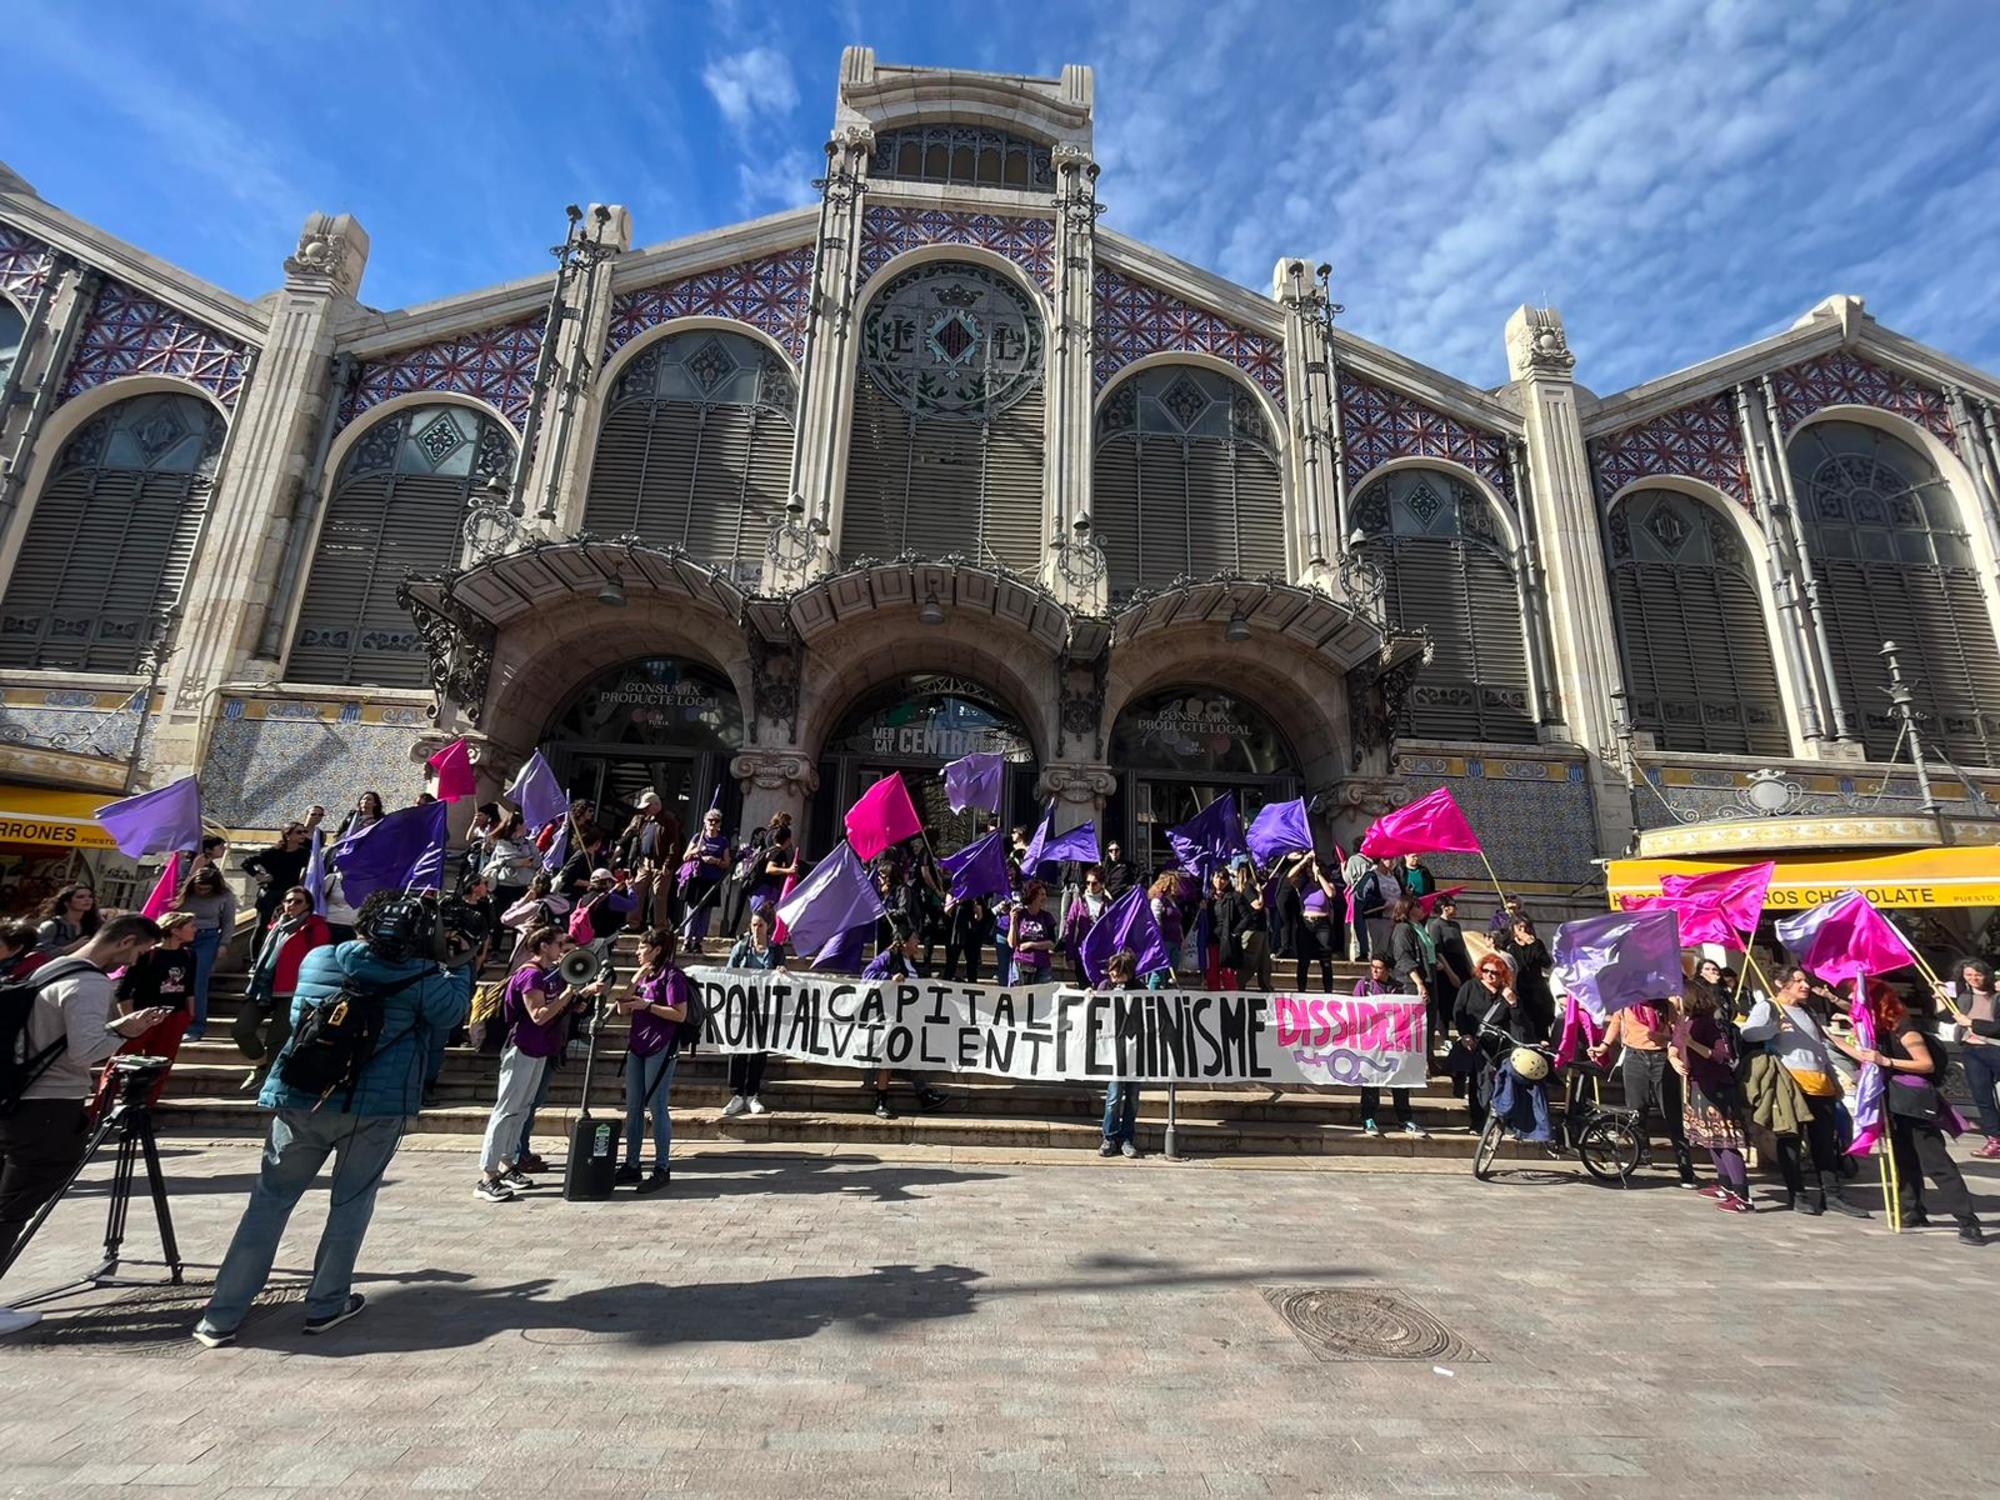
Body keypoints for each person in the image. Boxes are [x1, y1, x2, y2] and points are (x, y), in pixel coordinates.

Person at [192, 893, 476, 1347]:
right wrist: (459, 962)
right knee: (350, 1204)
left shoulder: (321, 958)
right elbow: (453, 1014)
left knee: (268, 1204)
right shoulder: (425, 978)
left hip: (304, 1096)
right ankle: (326, 1303)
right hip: (375, 1108)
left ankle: (222, 1314)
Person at [0, 914, 166, 1331]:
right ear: (126, 942)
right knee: (14, 1204)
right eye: (140, 952)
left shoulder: (55, 965)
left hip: (18, 1094)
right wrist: (126, 1031)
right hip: (51, 1104)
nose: (137, 961)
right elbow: (85, 1050)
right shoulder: (90, 983)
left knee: (9, 1197)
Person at [1828, 981, 1987, 1244]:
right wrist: (1832, 1040)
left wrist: (1886, 1061)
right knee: (1903, 1160)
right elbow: (1866, 1055)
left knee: (1936, 1163)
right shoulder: (1874, 1030)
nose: (1855, 1004)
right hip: (1892, 1100)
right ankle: (1913, 1210)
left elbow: (1925, 1064)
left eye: (1858, 999)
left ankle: (1968, 1222)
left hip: (1915, 1101)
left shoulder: (1904, 1030)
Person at [476, 925, 603, 1202]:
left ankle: (508, 1164)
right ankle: (487, 1174)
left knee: (521, 1109)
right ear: (544, 946)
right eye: (558, 944)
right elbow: (539, 1015)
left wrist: (576, 998)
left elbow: (556, 1008)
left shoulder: (549, 975)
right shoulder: (531, 974)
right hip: (522, 1047)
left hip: (539, 1048)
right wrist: (569, 994)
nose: (561, 949)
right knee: (507, 1109)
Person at [1743, 967, 1869, 1217]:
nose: (1805, 986)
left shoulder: (1809, 1011)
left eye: (1806, 981)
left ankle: (1831, 1195)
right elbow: (1748, 1032)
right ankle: (1797, 1194)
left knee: (1825, 1142)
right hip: (1791, 1083)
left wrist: (1839, 1074)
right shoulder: (1769, 1007)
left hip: (1820, 1083)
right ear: (1782, 983)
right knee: (1790, 1140)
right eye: (1798, 981)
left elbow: (1824, 1044)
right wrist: (1774, 1028)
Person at [232, 887, 333, 1091]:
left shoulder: (315, 927)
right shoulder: (277, 924)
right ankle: (261, 1064)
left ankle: (270, 1081)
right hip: (263, 987)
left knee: (277, 1039)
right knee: (241, 1029)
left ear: (308, 905)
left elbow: (319, 957)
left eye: (297, 901)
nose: (291, 905)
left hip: (292, 989)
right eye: (288, 901)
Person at [96, 911, 198, 1111]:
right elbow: (125, 990)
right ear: (176, 930)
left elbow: (189, 987)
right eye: (191, 926)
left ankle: (144, 1108)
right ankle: (100, 1107)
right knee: (121, 1061)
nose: (196, 930)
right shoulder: (148, 954)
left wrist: (189, 1014)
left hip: (174, 1015)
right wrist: (129, 1019)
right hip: (145, 1014)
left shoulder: (189, 954)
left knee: (161, 1064)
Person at [1592, 995, 1695, 1185]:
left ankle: (1685, 1166)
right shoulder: (1626, 1003)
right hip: (1634, 1057)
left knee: (1672, 1113)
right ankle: (1642, 1154)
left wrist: (1663, 1038)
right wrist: (1604, 1046)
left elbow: (1678, 1032)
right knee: (1636, 1109)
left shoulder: (1667, 1005)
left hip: (1661, 1058)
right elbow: (1616, 1021)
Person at [1672, 980, 1755, 1213]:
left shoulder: (1710, 1024)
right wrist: (1674, 1058)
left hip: (1717, 1086)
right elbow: (1674, 1044)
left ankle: (1743, 1195)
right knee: (1710, 1138)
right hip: (1696, 1085)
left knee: (1725, 1139)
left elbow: (1722, 1055)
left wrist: (1693, 1044)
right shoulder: (1684, 1021)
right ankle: (1725, 1184)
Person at [615, 927, 687, 1194]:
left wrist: (647, 1006)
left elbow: (679, 1014)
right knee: (633, 1106)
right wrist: (634, 981)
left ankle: (662, 1167)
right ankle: (631, 1163)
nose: (636, 952)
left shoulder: (672, 977)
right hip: (637, 1045)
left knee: (657, 1105)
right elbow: (622, 1007)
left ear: (656, 950)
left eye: (642, 947)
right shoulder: (644, 976)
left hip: (661, 1045)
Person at [860, 920, 947, 1117]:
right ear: (904, 941)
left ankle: (924, 1095)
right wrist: (889, 978)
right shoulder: (888, 957)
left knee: (912, 1057)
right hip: (891, 1018)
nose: (918, 943)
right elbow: (867, 975)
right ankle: (881, 1102)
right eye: (915, 939)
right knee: (888, 1059)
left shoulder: (913, 962)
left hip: (911, 1019)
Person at [1354, 955, 1428, 1139]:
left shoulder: (1399, 988)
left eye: (1379, 968)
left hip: (1393, 1042)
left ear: (1388, 970)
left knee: (1400, 1079)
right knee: (1370, 1080)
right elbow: (1354, 1008)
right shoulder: (1365, 985)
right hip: (1370, 1042)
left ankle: (1405, 1118)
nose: (1375, 971)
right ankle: (1368, 1117)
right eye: (1373, 967)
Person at [720, 908, 785, 1117]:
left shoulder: (776, 950)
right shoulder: (741, 948)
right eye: (753, 925)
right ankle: (737, 1094)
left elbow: (783, 975)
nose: (756, 930)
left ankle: (752, 1094)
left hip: (765, 1009)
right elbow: (727, 973)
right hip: (742, 1007)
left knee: (758, 1051)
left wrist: (781, 972)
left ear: (768, 928)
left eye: (760, 926)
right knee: (737, 1050)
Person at [1936, 958, 2000, 1157]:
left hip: (1995, 1048)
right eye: (1968, 975)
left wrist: (1971, 1022)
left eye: (1977, 975)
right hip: (1972, 1050)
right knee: (1982, 1097)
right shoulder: (1963, 996)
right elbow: (1946, 1017)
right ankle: (1995, 1139)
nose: (1973, 979)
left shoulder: (1997, 996)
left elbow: (1997, 1027)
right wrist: (1939, 997)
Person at [242, 812, 322, 961]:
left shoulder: (303, 853)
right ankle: (255, 960)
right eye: (298, 832)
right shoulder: (272, 852)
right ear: (287, 835)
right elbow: (247, 862)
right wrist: (259, 875)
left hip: (290, 895)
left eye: (304, 832)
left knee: (289, 925)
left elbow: (314, 863)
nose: (303, 835)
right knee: (262, 926)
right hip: (270, 892)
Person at [177, 863, 237, 1042]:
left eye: (206, 888)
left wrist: (224, 944)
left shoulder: (225, 896)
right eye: (199, 887)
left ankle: (196, 1026)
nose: (201, 891)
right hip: (181, 937)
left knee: (198, 982)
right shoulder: (186, 893)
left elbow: (228, 922)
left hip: (207, 938)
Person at [1098, 949, 1143, 1158]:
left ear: (1129, 973)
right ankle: (1109, 1136)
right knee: (1114, 1096)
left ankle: (1127, 1138)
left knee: (1132, 1097)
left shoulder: (1140, 990)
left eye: (1118, 973)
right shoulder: (1105, 987)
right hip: (1114, 1052)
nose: (1113, 977)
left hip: (1135, 1052)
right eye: (1111, 972)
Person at [679, 807, 733, 953]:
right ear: (705, 821)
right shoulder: (698, 837)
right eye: (710, 820)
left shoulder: (723, 841)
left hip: (712, 879)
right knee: (692, 910)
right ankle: (687, 939)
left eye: (716, 821)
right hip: (697, 877)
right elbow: (685, 857)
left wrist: (715, 861)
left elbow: (727, 862)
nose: (713, 824)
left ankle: (698, 941)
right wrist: (696, 851)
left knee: (706, 912)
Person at [1424, 894, 1470, 1057]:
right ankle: (1444, 1038)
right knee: (1444, 1005)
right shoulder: (1436, 925)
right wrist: (1450, 973)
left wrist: (1469, 967)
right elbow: (1438, 951)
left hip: (1460, 965)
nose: (1455, 909)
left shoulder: (1455, 925)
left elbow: (1463, 948)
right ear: (1445, 907)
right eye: (1453, 905)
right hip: (1446, 968)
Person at [1298, 855, 1341, 992]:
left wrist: (1319, 875)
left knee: (1325, 960)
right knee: (1304, 960)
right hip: (1306, 923)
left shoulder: (1327, 884)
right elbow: (1290, 877)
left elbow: (1330, 894)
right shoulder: (1304, 885)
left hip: (1322, 924)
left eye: (1313, 869)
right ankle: (1301, 989)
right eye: (1309, 869)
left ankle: (1328, 990)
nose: (1310, 871)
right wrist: (1304, 861)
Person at [481, 811, 538, 912]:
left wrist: (521, 861)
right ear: (517, 826)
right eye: (524, 823)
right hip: (505, 885)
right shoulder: (502, 843)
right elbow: (508, 860)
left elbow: (537, 861)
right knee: (502, 915)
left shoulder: (529, 843)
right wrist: (523, 861)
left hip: (524, 886)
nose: (526, 826)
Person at [1386, 898, 1432, 1022]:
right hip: (1411, 981)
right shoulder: (1403, 929)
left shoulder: (1420, 928)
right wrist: (1419, 983)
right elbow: (1403, 957)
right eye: (1418, 906)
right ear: (1409, 909)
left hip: (1429, 975)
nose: (1422, 908)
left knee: (1429, 1019)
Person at [1064, 865, 1111, 983]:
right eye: (1088, 883)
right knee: (1084, 986)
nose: (1090, 886)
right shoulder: (1079, 901)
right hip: (1082, 951)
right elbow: (1070, 926)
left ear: (1101, 884)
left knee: (1101, 986)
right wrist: (1069, 955)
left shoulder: (1108, 903)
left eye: (1094, 883)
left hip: (1100, 953)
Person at [1008, 881, 1059, 986]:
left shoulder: (1047, 917)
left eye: (1045, 894)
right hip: (1021, 964)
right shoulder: (1020, 915)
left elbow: (1052, 944)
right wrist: (1013, 921)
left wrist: (1031, 944)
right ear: (1033, 895)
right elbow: (1012, 943)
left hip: (1042, 966)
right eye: (1041, 894)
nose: (1045, 898)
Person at [33, 884, 101, 956]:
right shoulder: (52, 925)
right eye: (80, 897)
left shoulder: (94, 925)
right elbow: (39, 953)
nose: (87, 899)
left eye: (90, 896)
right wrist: (72, 947)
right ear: (66, 902)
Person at [943, 892, 995, 984]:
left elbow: (979, 917)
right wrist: (956, 900)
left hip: (972, 933)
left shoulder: (976, 895)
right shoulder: (953, 892)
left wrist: (975, 905)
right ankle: (946, 983)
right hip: (956, 932)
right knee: (951, 962)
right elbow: (947, 911)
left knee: (972, 964)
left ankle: (972, 986)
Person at [1146, 872, 1186, 991]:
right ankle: (1152, 995)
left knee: (1171, 975)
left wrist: (1181, 937)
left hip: (1175, 941)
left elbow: (1178, 921)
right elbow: (1156, 922)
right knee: (1159, 973)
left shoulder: (1172, 900)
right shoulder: (1158, 901)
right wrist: (1159, 942)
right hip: (1164, 941)